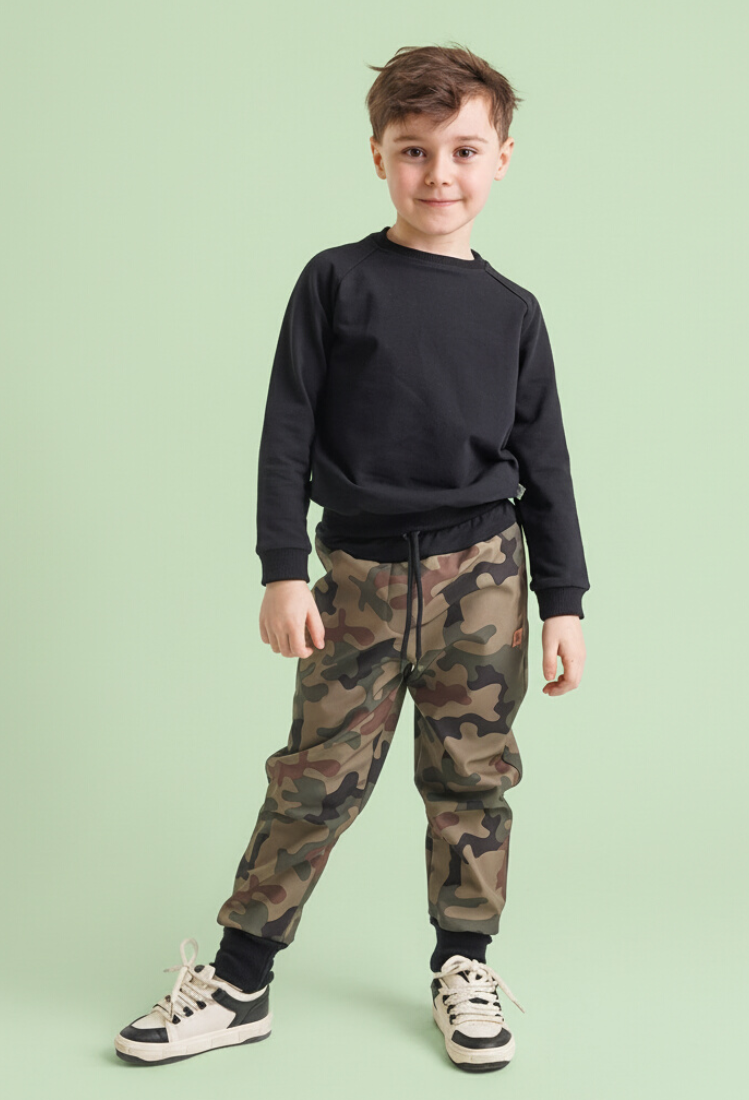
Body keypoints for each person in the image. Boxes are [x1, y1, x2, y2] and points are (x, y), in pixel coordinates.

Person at [114, 42, 589, 1074]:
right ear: (378, 155)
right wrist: (281, 567)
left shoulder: (513, 312)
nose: (439, 174)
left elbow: (545, 460)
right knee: (313, 779)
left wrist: (565, 601)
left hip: (486, 580)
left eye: (463, 150)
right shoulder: (336, 281)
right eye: (414, 150)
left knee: (472, 778)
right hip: (359, 583)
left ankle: (464, 965)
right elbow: (285, 429)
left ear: (502, 158)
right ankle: (239, 980)